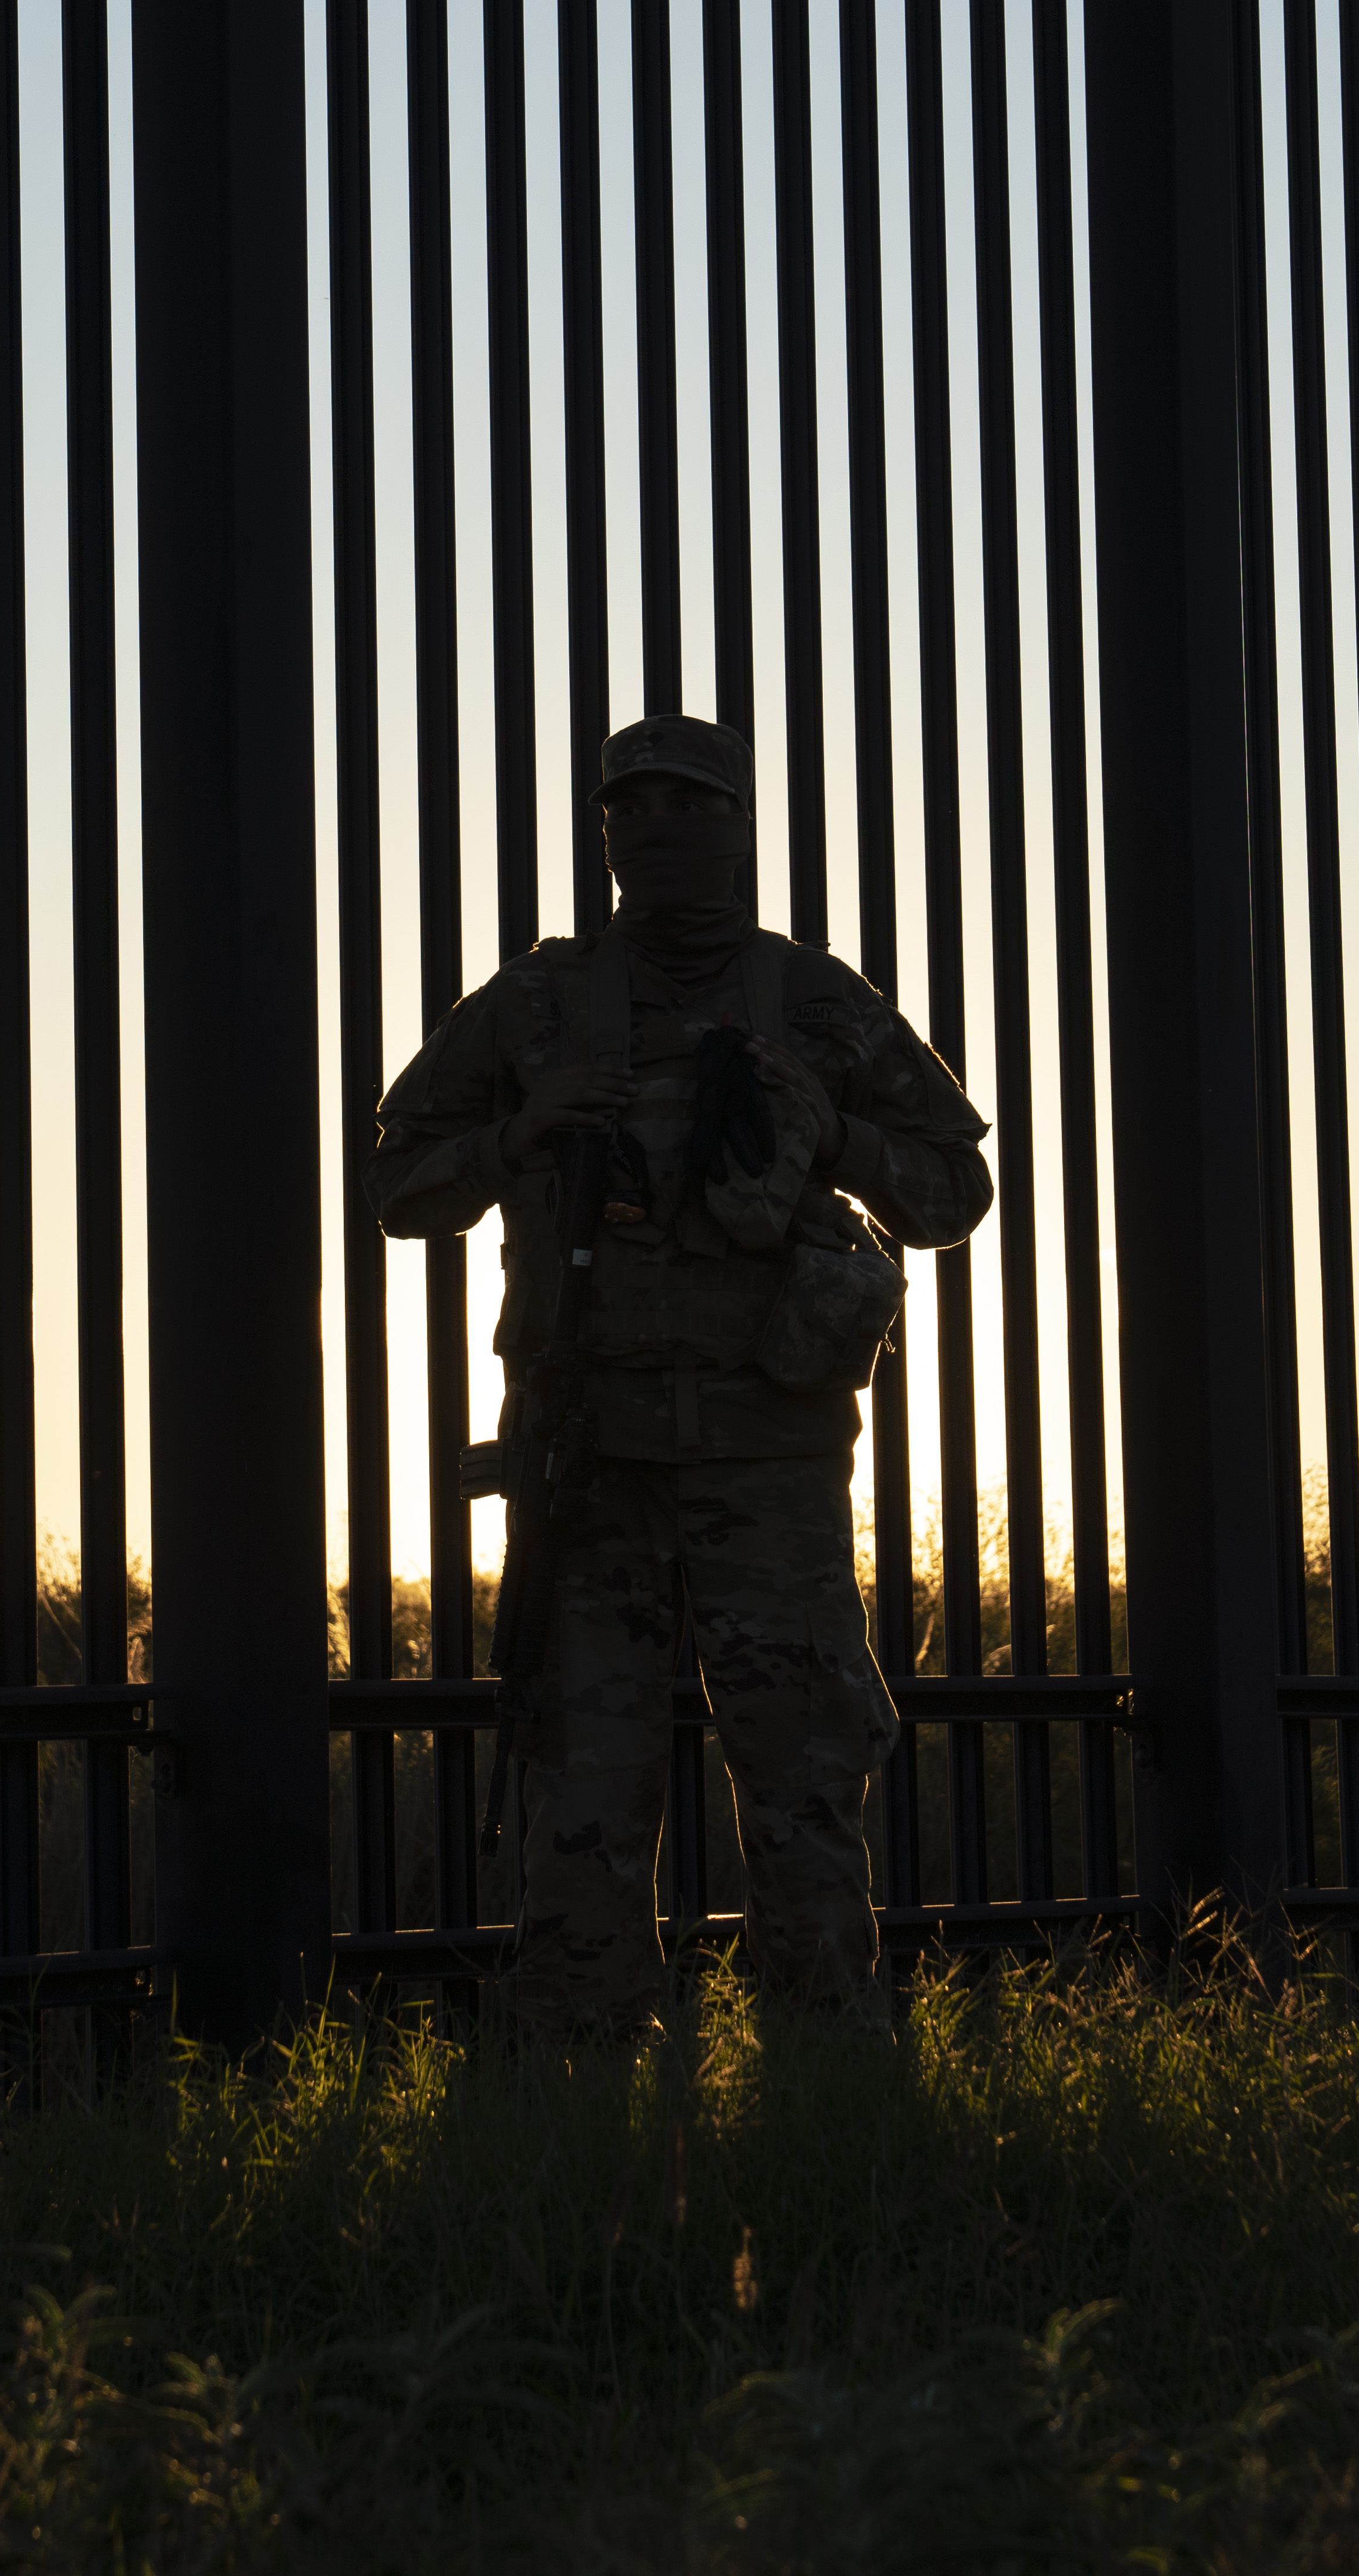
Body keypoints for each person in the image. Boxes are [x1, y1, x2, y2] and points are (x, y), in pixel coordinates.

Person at [370, 712, 992, 2039]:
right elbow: (394, 1185)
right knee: (583, 1794)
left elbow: (955, 1186)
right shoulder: (536, 1002)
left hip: (769, 1466)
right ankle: (580, 2091)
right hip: (585, 1462)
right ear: (604, 834)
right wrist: (517, 1129)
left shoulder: (809, 999)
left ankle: (823, 2076)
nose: (657, 828)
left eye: (684, 804)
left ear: (734, 824)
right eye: (631, 806)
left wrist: (831, 1132)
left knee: (804, 1778)